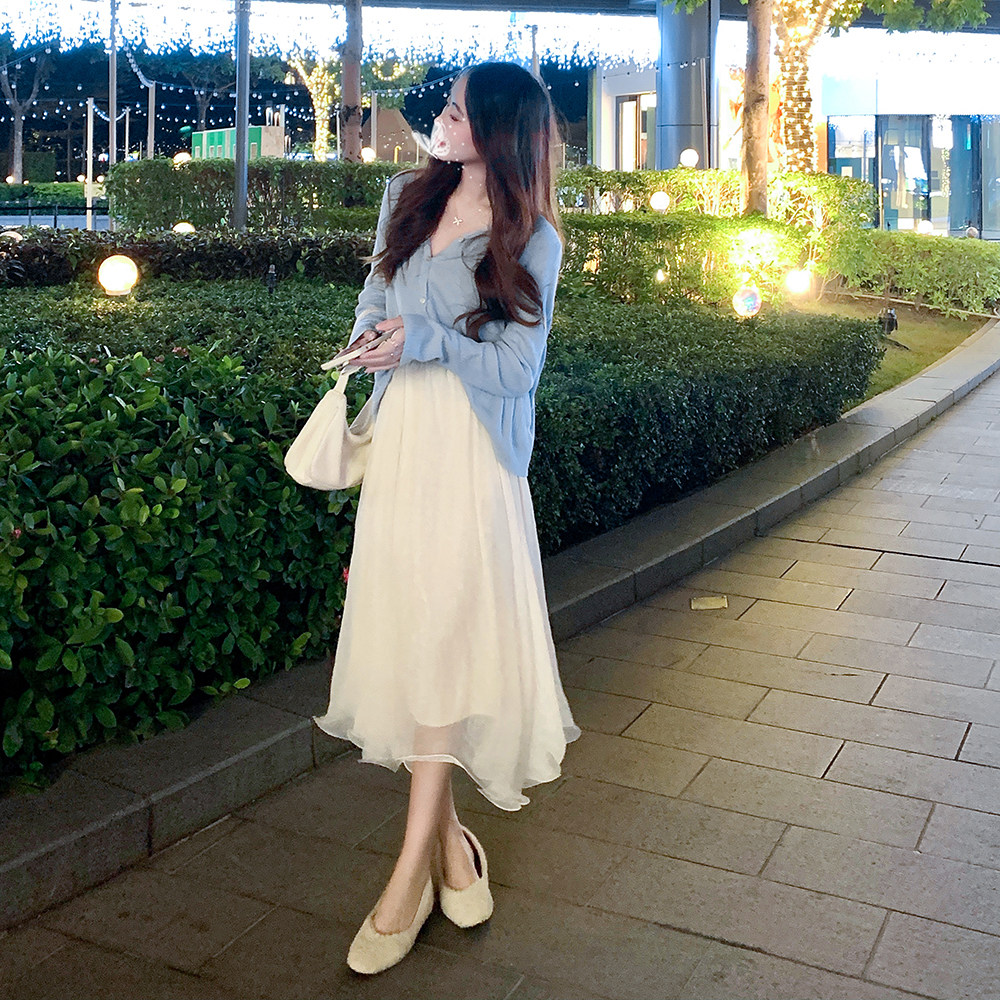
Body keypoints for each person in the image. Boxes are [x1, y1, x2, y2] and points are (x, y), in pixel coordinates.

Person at [311, 61, 581, 976]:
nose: (442, 118)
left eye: (459, 111)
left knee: (445, 641)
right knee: (418, 635)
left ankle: (406, 883)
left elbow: (515, 370)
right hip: (404, 446)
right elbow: (375, 295)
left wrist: (422, 340)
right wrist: (367, 343)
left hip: (472, 457)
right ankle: (453, 851)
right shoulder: (406, 197)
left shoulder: (532, 237)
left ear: (498, 131)